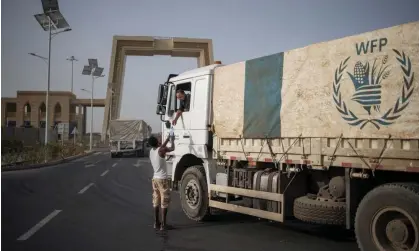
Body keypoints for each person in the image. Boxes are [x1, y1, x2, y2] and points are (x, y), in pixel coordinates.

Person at [148, 132, 175, 230]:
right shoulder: (161, 150)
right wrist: (172, 140)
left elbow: (161, 146)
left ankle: (156, 223)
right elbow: (172, 148)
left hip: (154, 179)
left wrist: (167, 138)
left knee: (156, 201)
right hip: (162, 179)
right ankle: (164, 225)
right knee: (164, 202)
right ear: (157, 142)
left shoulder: (151, 151)